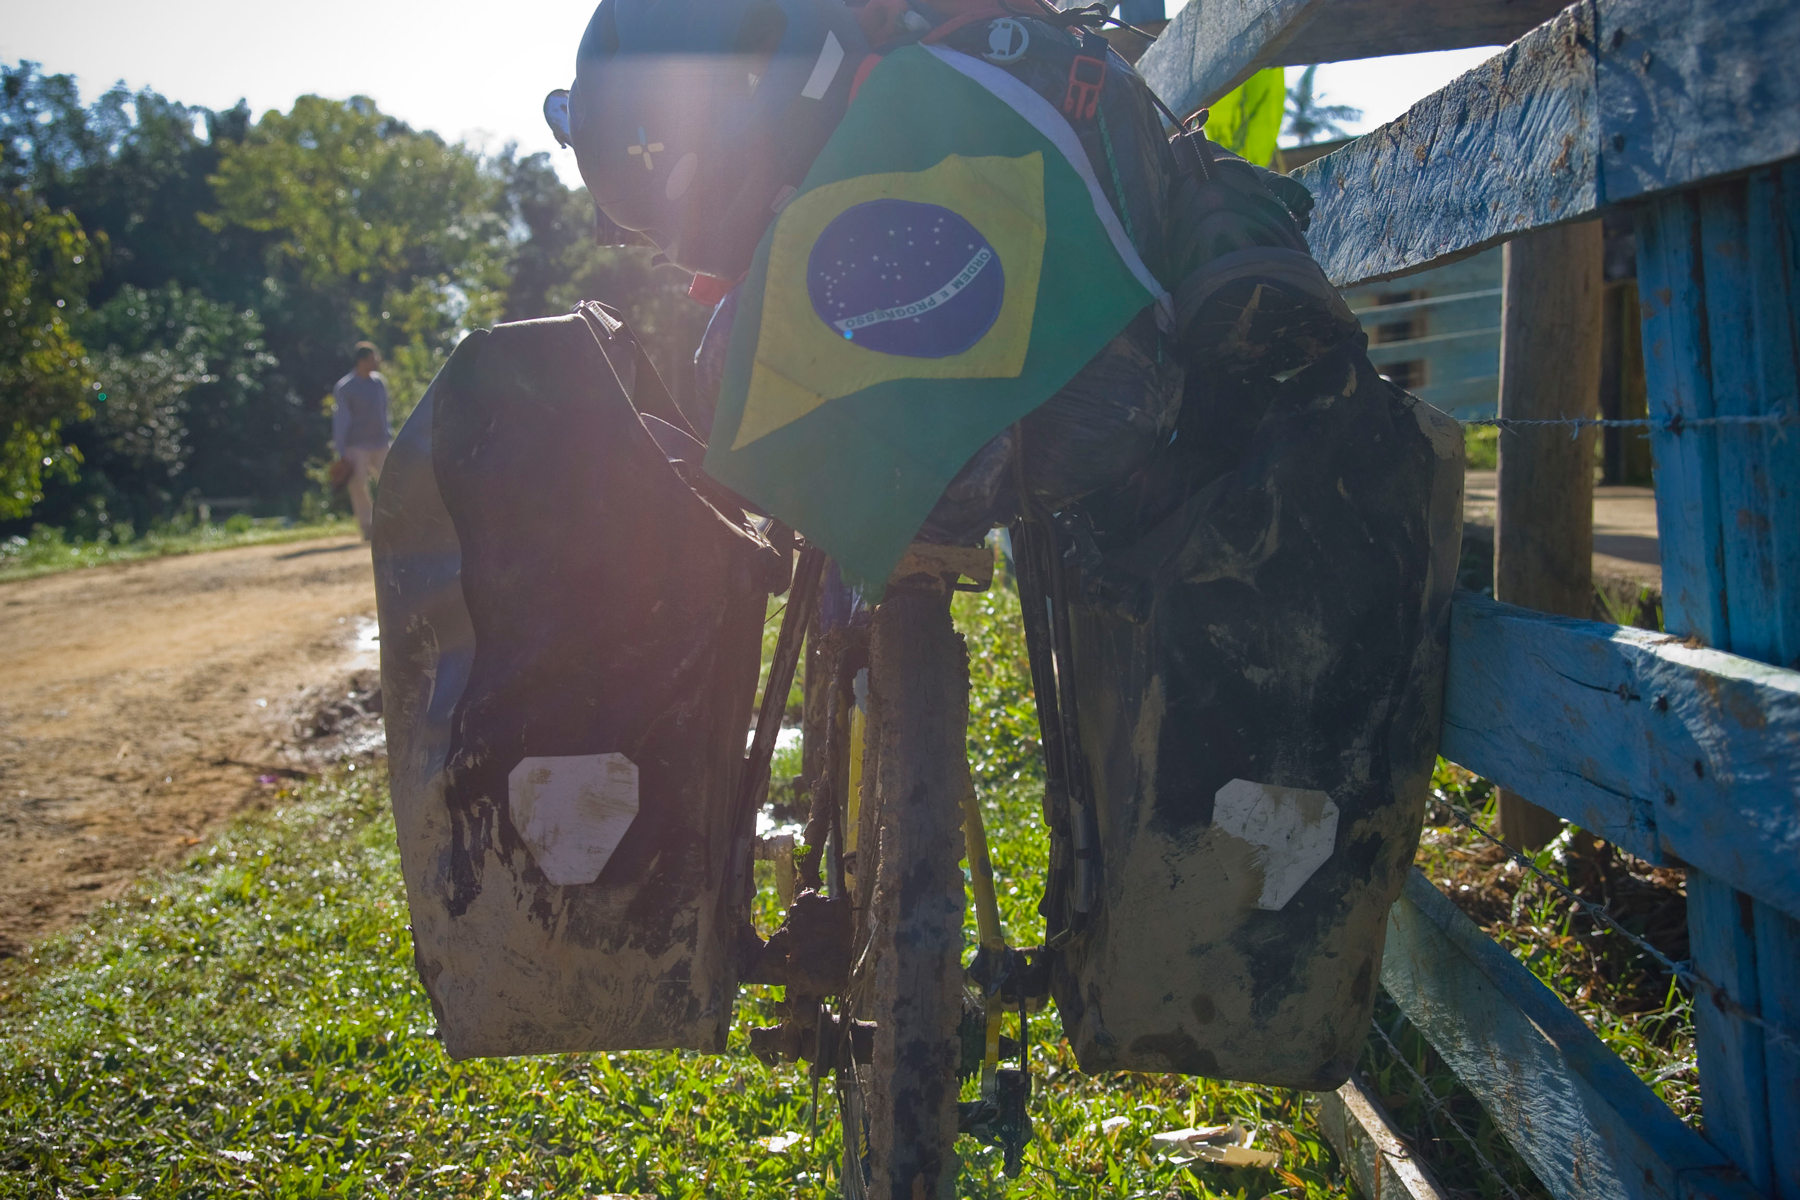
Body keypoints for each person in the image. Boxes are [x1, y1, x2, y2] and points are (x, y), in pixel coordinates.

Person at [332, 342, 393, 540]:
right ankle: (368, 527)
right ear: (362, 360)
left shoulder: (379, 383)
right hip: (356, 445)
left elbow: (385, 413)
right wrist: (342, 450)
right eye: (373, 358)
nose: (377, 361)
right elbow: (341, 419)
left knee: (392, 482)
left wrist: (389, 435)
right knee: (359, 486)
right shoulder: (345, 387)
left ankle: (394, 522)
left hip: (381, 442)